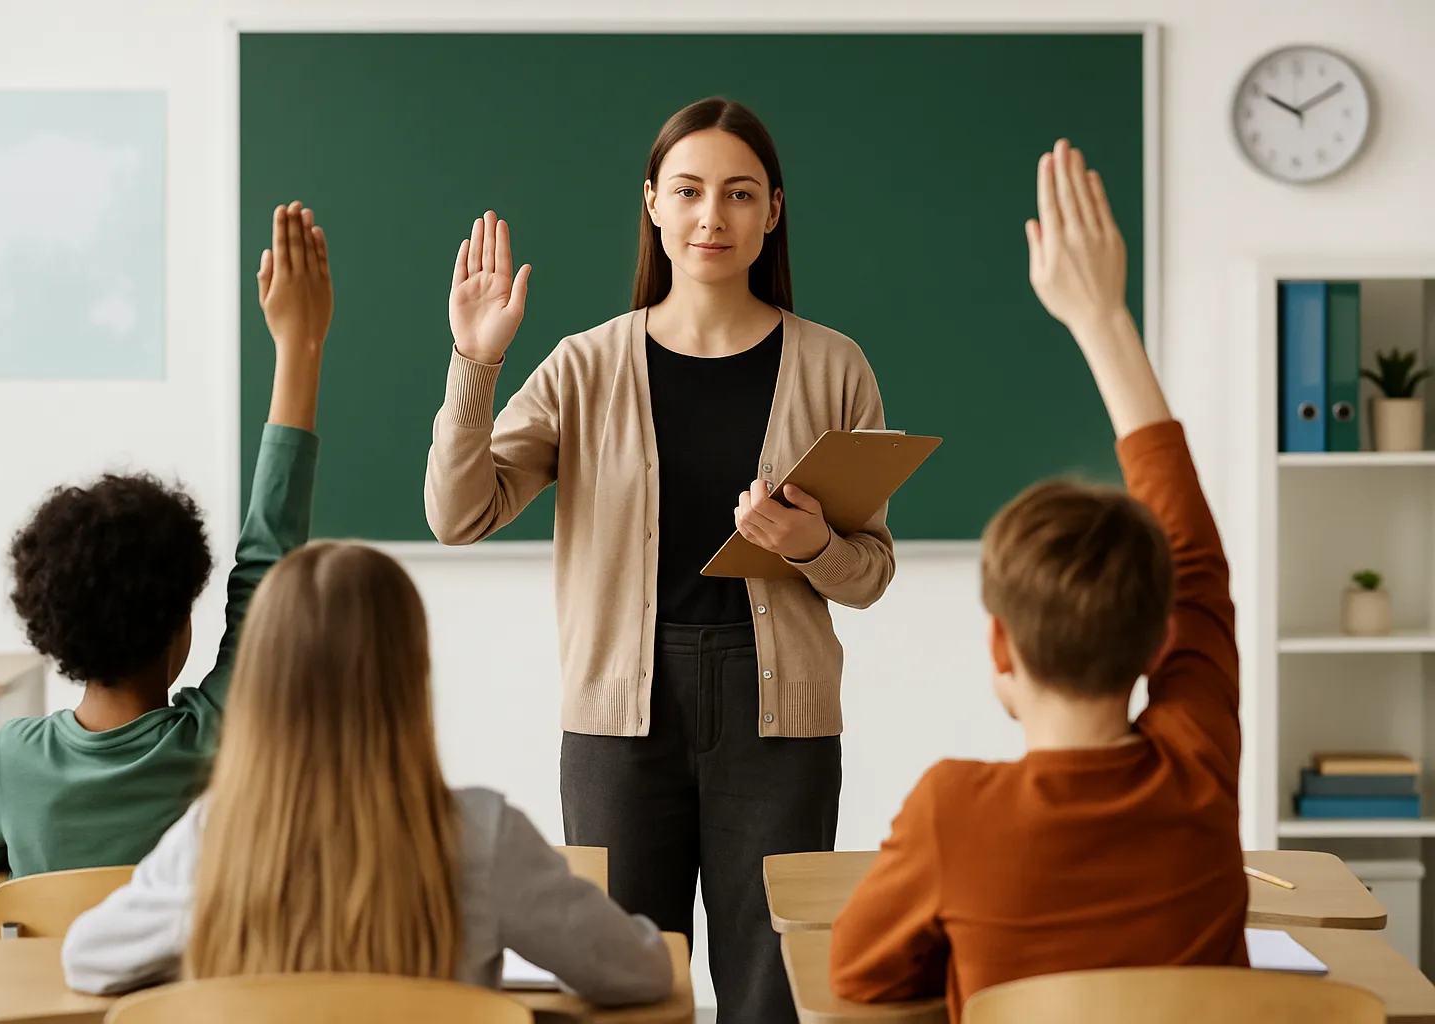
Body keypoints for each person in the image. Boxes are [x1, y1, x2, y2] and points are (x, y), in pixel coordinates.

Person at [425, 96, 894, 1023]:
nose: (711, 216)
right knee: (622, 984)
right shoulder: (584, 366)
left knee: (772, 989)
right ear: (652, 204)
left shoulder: (836, 366)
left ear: (773, 211)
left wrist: (814, 547)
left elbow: (871, 574)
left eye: (738, 193)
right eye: (687, 191)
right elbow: (458, 513)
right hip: (618, 714)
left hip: (781, 718)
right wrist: (474, 362)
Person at [828, 139, 1246, 1021]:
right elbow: (1199, 565)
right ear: (1162, 637)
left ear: (999, 640)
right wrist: (1105, 321)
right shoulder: (1198, 765)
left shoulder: (955, 813)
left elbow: (858, 976)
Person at [61, 541, 675, 1007]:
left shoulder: (215, 836)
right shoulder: (481, 834)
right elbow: (640, 972)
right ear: (409, 676)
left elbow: (87, 960)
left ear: (260, 685)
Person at [0, 203, 329, 879]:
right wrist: (301, 348)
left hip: (57, 990)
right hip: (195, 991)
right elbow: (269, 563)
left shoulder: (14, 766)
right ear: (180, 626)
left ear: (53, 632)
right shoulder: (219, 741)